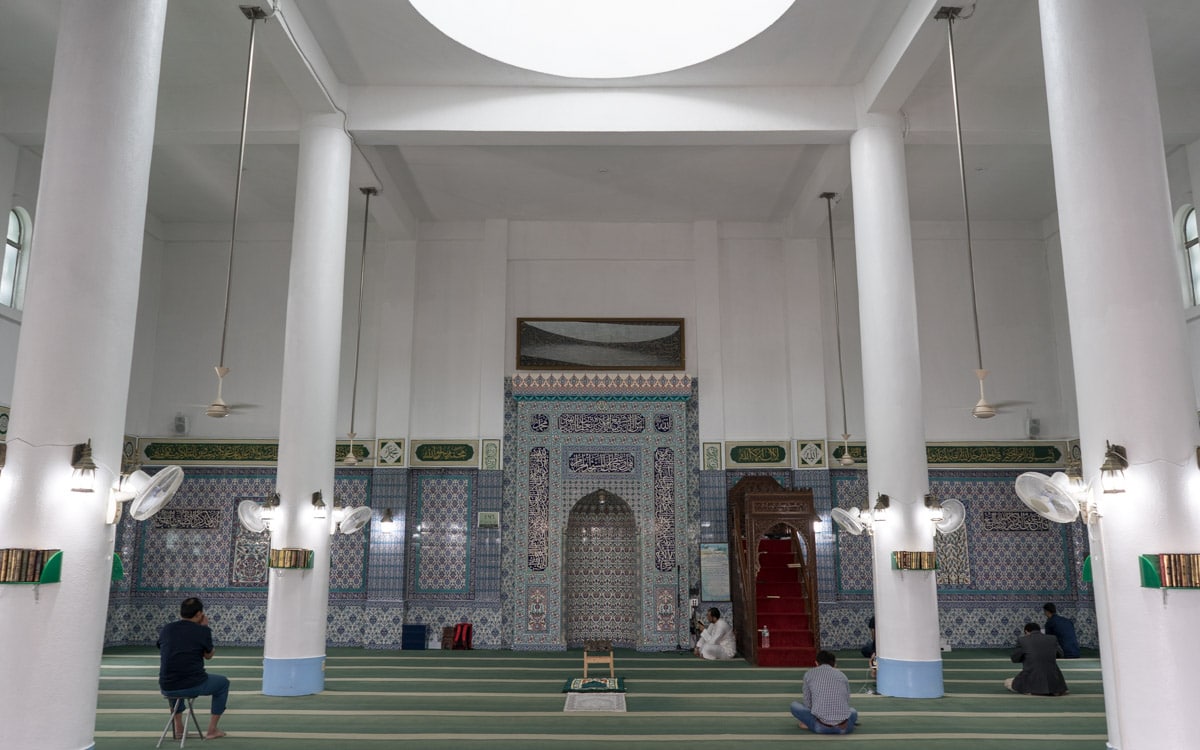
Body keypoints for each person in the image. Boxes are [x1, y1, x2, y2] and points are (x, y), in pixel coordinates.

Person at [158, 597, 229, 739]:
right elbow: (208, 656)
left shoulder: (167, 629)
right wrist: (204, 629)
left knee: (173, 679)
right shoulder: (202, 630)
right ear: (199, 614)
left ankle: (178, 728)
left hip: (166, 685)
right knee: (223, 683)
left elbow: (162, 647)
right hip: (193, 683)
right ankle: (212, 730)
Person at [791, 650, 858, 734]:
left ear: (816, 663)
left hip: (821, 727)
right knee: (853, 711)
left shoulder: (809, 674)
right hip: (844, 728)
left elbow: (807, 703)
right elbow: (847, 699)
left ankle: (809, 724)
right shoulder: (842, 675)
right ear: (834, 664)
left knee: (794, 706)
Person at [1005, 622, 1068, 696]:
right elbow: (1061, 654)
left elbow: (1014, 658)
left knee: (1007, 682)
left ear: (1026, 631)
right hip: (1055, 684)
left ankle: (1031, 690)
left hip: (1032, 680)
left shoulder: (1022, 640)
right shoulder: (1052, 638)